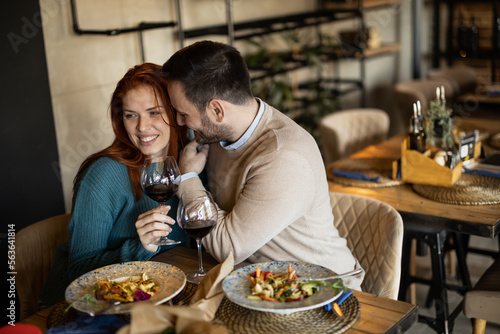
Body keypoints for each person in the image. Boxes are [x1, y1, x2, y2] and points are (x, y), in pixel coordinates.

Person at [162, 41, 364, 290]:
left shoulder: (283, 155)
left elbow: (228, 248)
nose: (180, 122)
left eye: (183, 113)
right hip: (260, 285)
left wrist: (188, 177)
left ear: (217, 110)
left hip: (324, 289)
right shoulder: (214, 135)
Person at [40, 63, 189, 307]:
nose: (142, 127)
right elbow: (77, 271)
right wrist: (139, 247)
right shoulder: (103, 174)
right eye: (131, 115)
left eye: (154, 112)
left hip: (161, 296)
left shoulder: (187, 159)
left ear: (176, 113)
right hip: (87, 307)